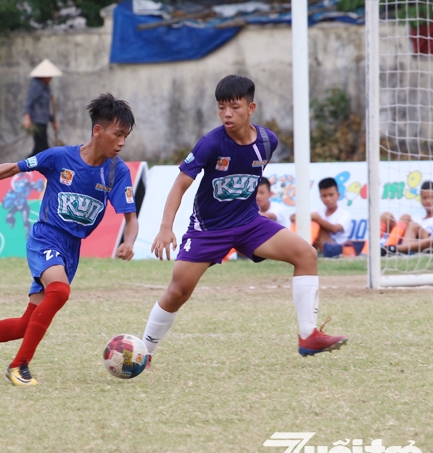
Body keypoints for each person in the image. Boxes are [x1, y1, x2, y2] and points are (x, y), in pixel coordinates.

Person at [140, 75, 347, 364]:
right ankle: (144, 352)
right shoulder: (210, 143)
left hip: (249, 224)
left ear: (251, 108)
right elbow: (179, 185)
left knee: (306, 254)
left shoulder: (267, 141)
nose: (227, 114)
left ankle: (308, 335)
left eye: (234, 107)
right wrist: (165, 228)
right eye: (221, 107)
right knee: (178, 291)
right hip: (208, 230)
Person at [0, 93, 139, 386]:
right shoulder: (59, 157)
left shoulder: (116, 171)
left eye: (126, 136)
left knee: (27, 324)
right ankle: (19, 365)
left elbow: (130, 218)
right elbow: (15, 167)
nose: (122, 142)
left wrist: (129, 241)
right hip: (46, 237)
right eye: (118, 134)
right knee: (59, 292)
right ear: (98, 130)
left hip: (71, 248)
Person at [381, 180, 433, 255]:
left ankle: (391, 250)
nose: (428, 201)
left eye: (431, 197)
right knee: (388, 216)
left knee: (413, 226)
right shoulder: (417, 219)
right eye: (424, 198)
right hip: (408, 244)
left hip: (427, 245)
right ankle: (367, 252)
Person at [23, 59, 62, 157]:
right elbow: (29, 102)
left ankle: (27, 165)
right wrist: (27, 117)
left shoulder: (46, 87)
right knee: (42, 147)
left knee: (40, 147)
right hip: (37, 121)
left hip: (43, 120)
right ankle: (26, 165)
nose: (51, 78)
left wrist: (52, 120)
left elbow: (45, 108)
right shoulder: (36, 85)